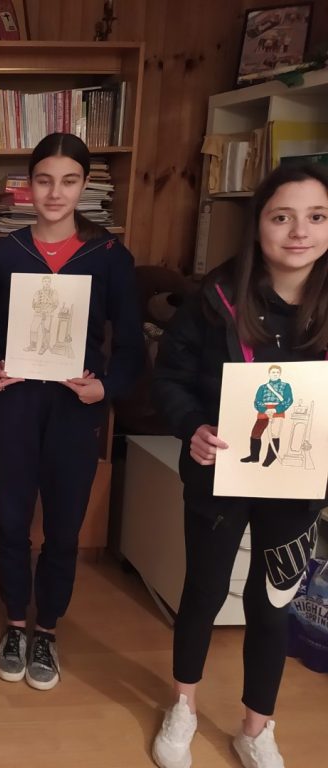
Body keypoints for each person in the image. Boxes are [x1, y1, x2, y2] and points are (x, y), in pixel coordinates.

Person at [150, 162, 328, 768]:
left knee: (271, 605)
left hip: (299, 487)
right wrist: (192, 427)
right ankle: (183, 705)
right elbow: (170, 377)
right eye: (282, 217)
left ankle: (257, 726)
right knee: (202, 592)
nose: (299, 231)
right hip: (219, 474)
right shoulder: (215, 297)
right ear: (258, 225)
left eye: (316, 216)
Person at [0, 132, 144, 691]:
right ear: (28, 186)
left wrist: (106, 389)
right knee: (10, 520)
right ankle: (14, 623)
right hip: (15, 403)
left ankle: (47, 628)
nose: (55, 193)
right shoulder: (4, 253)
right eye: (44, 180)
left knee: (64, 527)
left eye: (68, 181)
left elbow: (132, 346)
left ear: (84, 186)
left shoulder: (109, 257)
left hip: (75, 408)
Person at [240, 364, 293, 465]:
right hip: (263, 412)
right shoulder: (262, 387)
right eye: (273, 372)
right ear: (269, 373)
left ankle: (270, 458)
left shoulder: (286, 386)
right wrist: (264, 410)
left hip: (278, 412)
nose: (275, 374)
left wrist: (276, 409)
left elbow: (288, 400)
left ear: (280, 374)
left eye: (277, 372)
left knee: (274, 435)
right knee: (255, 433)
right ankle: (254, 456)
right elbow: (257, 401)